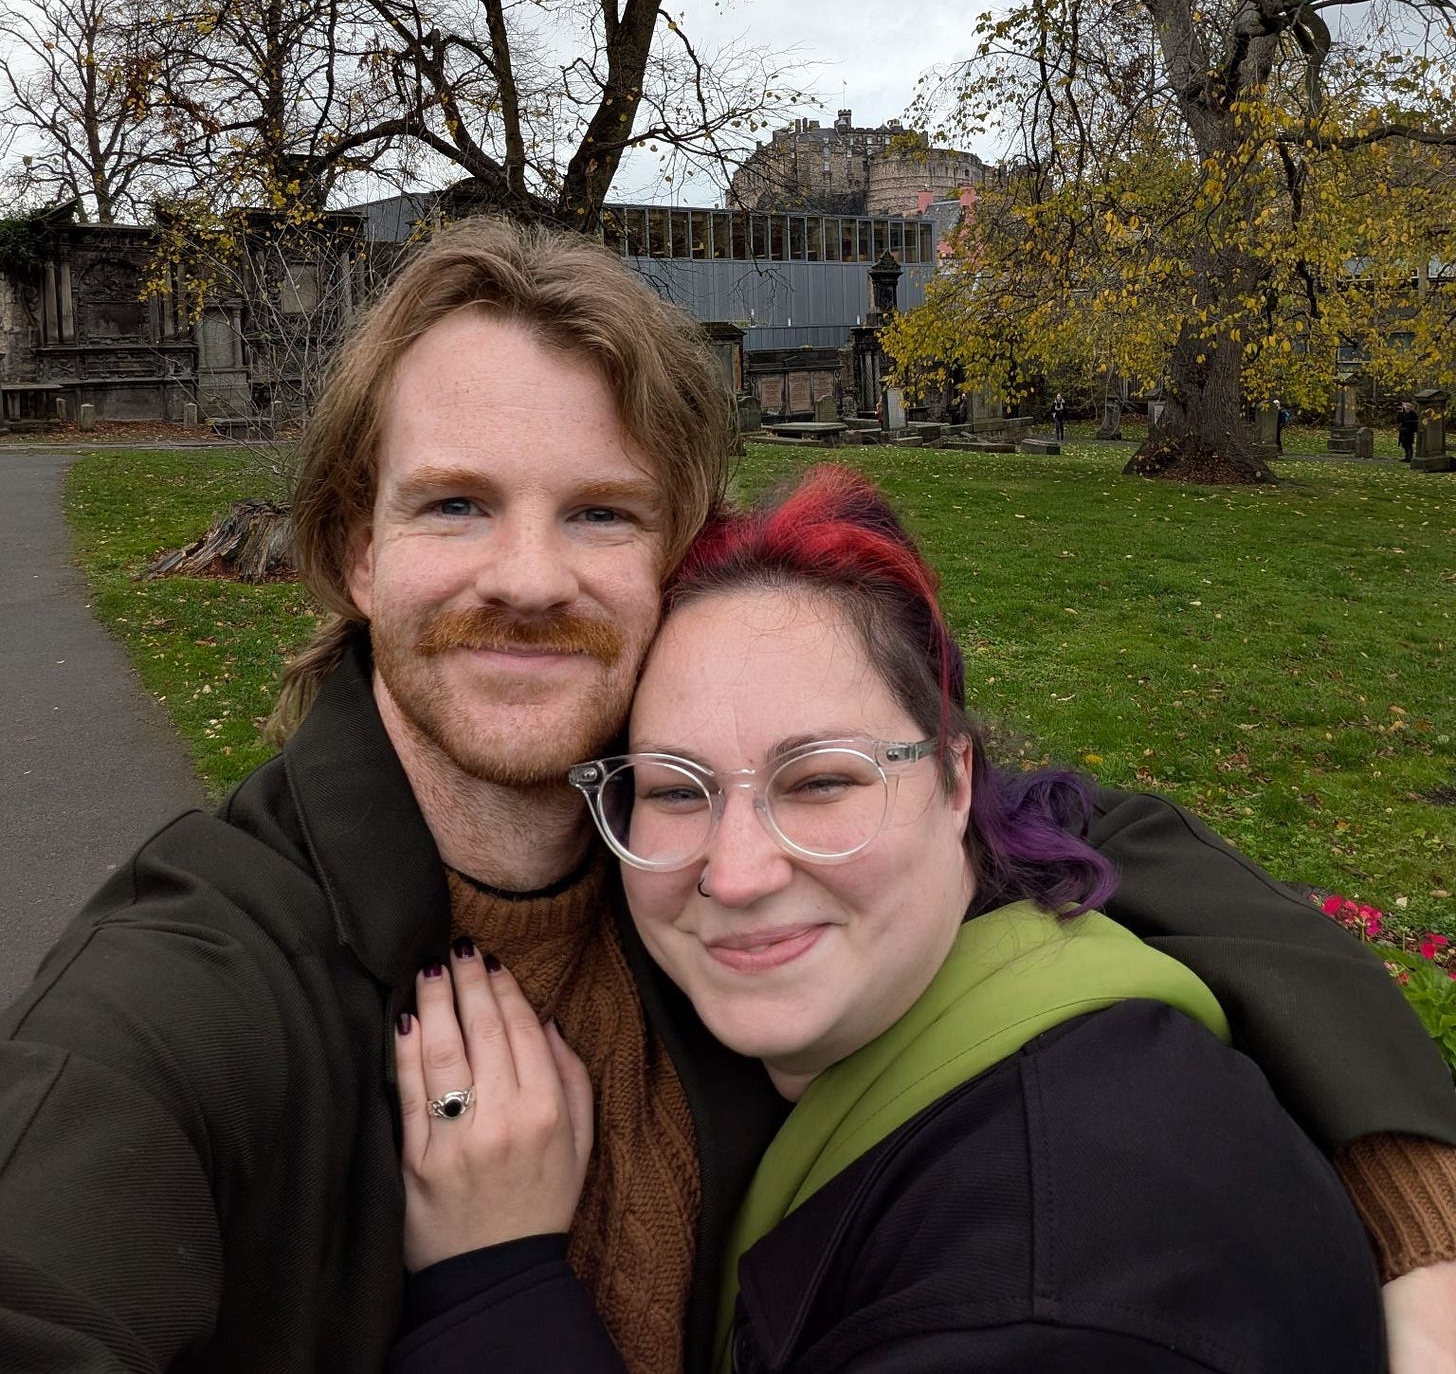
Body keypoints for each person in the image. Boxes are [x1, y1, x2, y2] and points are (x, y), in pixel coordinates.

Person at [0, 219, 1454, 1373]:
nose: (526, 575)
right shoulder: (191, 994)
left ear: (678, 561)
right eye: (453, 503)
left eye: (601, 511)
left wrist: (1413, 1205)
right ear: (350, 550)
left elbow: (1079, 823)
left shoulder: (685, 840)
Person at [388, 470, 1390, 1370]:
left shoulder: (1049, 1295)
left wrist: (494, 1281)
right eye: (676, 789)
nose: (734, 875)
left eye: (820, 781)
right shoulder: (1000, 1010)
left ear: (955, 783)